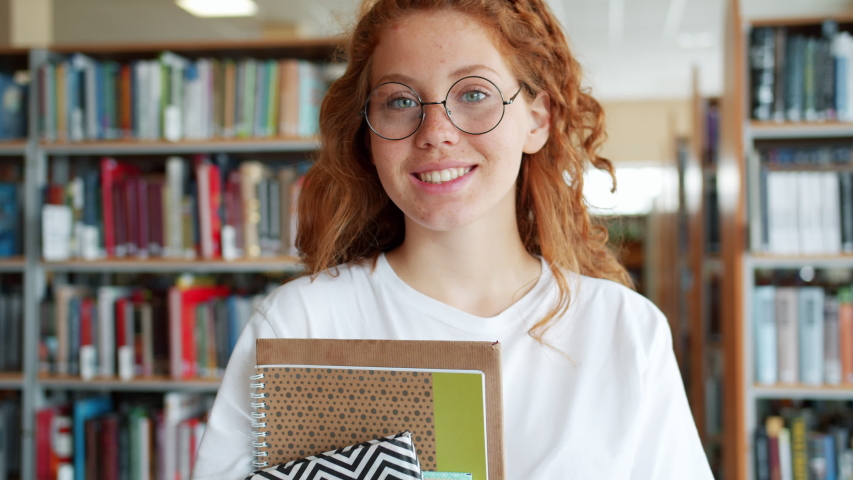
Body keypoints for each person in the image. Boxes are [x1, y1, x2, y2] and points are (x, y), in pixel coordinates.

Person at [193, 0, 714, 478]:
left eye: (474, 94)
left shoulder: (626, 330)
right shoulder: (299, 323)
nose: (435, 131)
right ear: (368, 135)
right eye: (399, 101)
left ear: (537, 120)